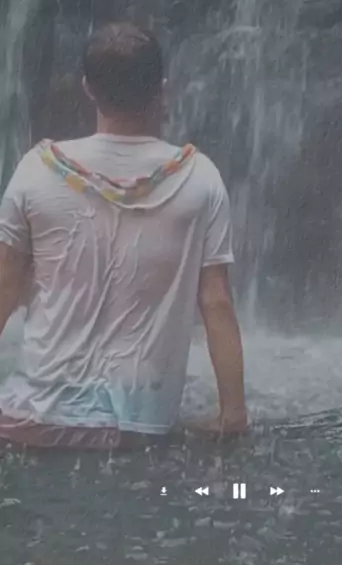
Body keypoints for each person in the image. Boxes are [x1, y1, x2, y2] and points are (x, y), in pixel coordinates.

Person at [0, 22, 247, 450]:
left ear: (87, 88)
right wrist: (234, 412)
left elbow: (4, 286)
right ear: (162, 89)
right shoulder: (200, 178)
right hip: (138, 428)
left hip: (32, 420)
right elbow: (216, 302)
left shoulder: (37, 168)